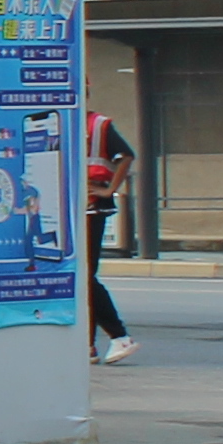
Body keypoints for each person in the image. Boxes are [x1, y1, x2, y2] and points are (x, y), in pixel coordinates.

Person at [85, 108, 136, 364]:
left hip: (91, 205)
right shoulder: (54, 120)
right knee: (80, 278)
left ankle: (119, 336)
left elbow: (126, 156)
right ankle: (88, 344)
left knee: (84, 275)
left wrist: (109, 190)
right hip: (68, 208)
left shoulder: (98, 125)